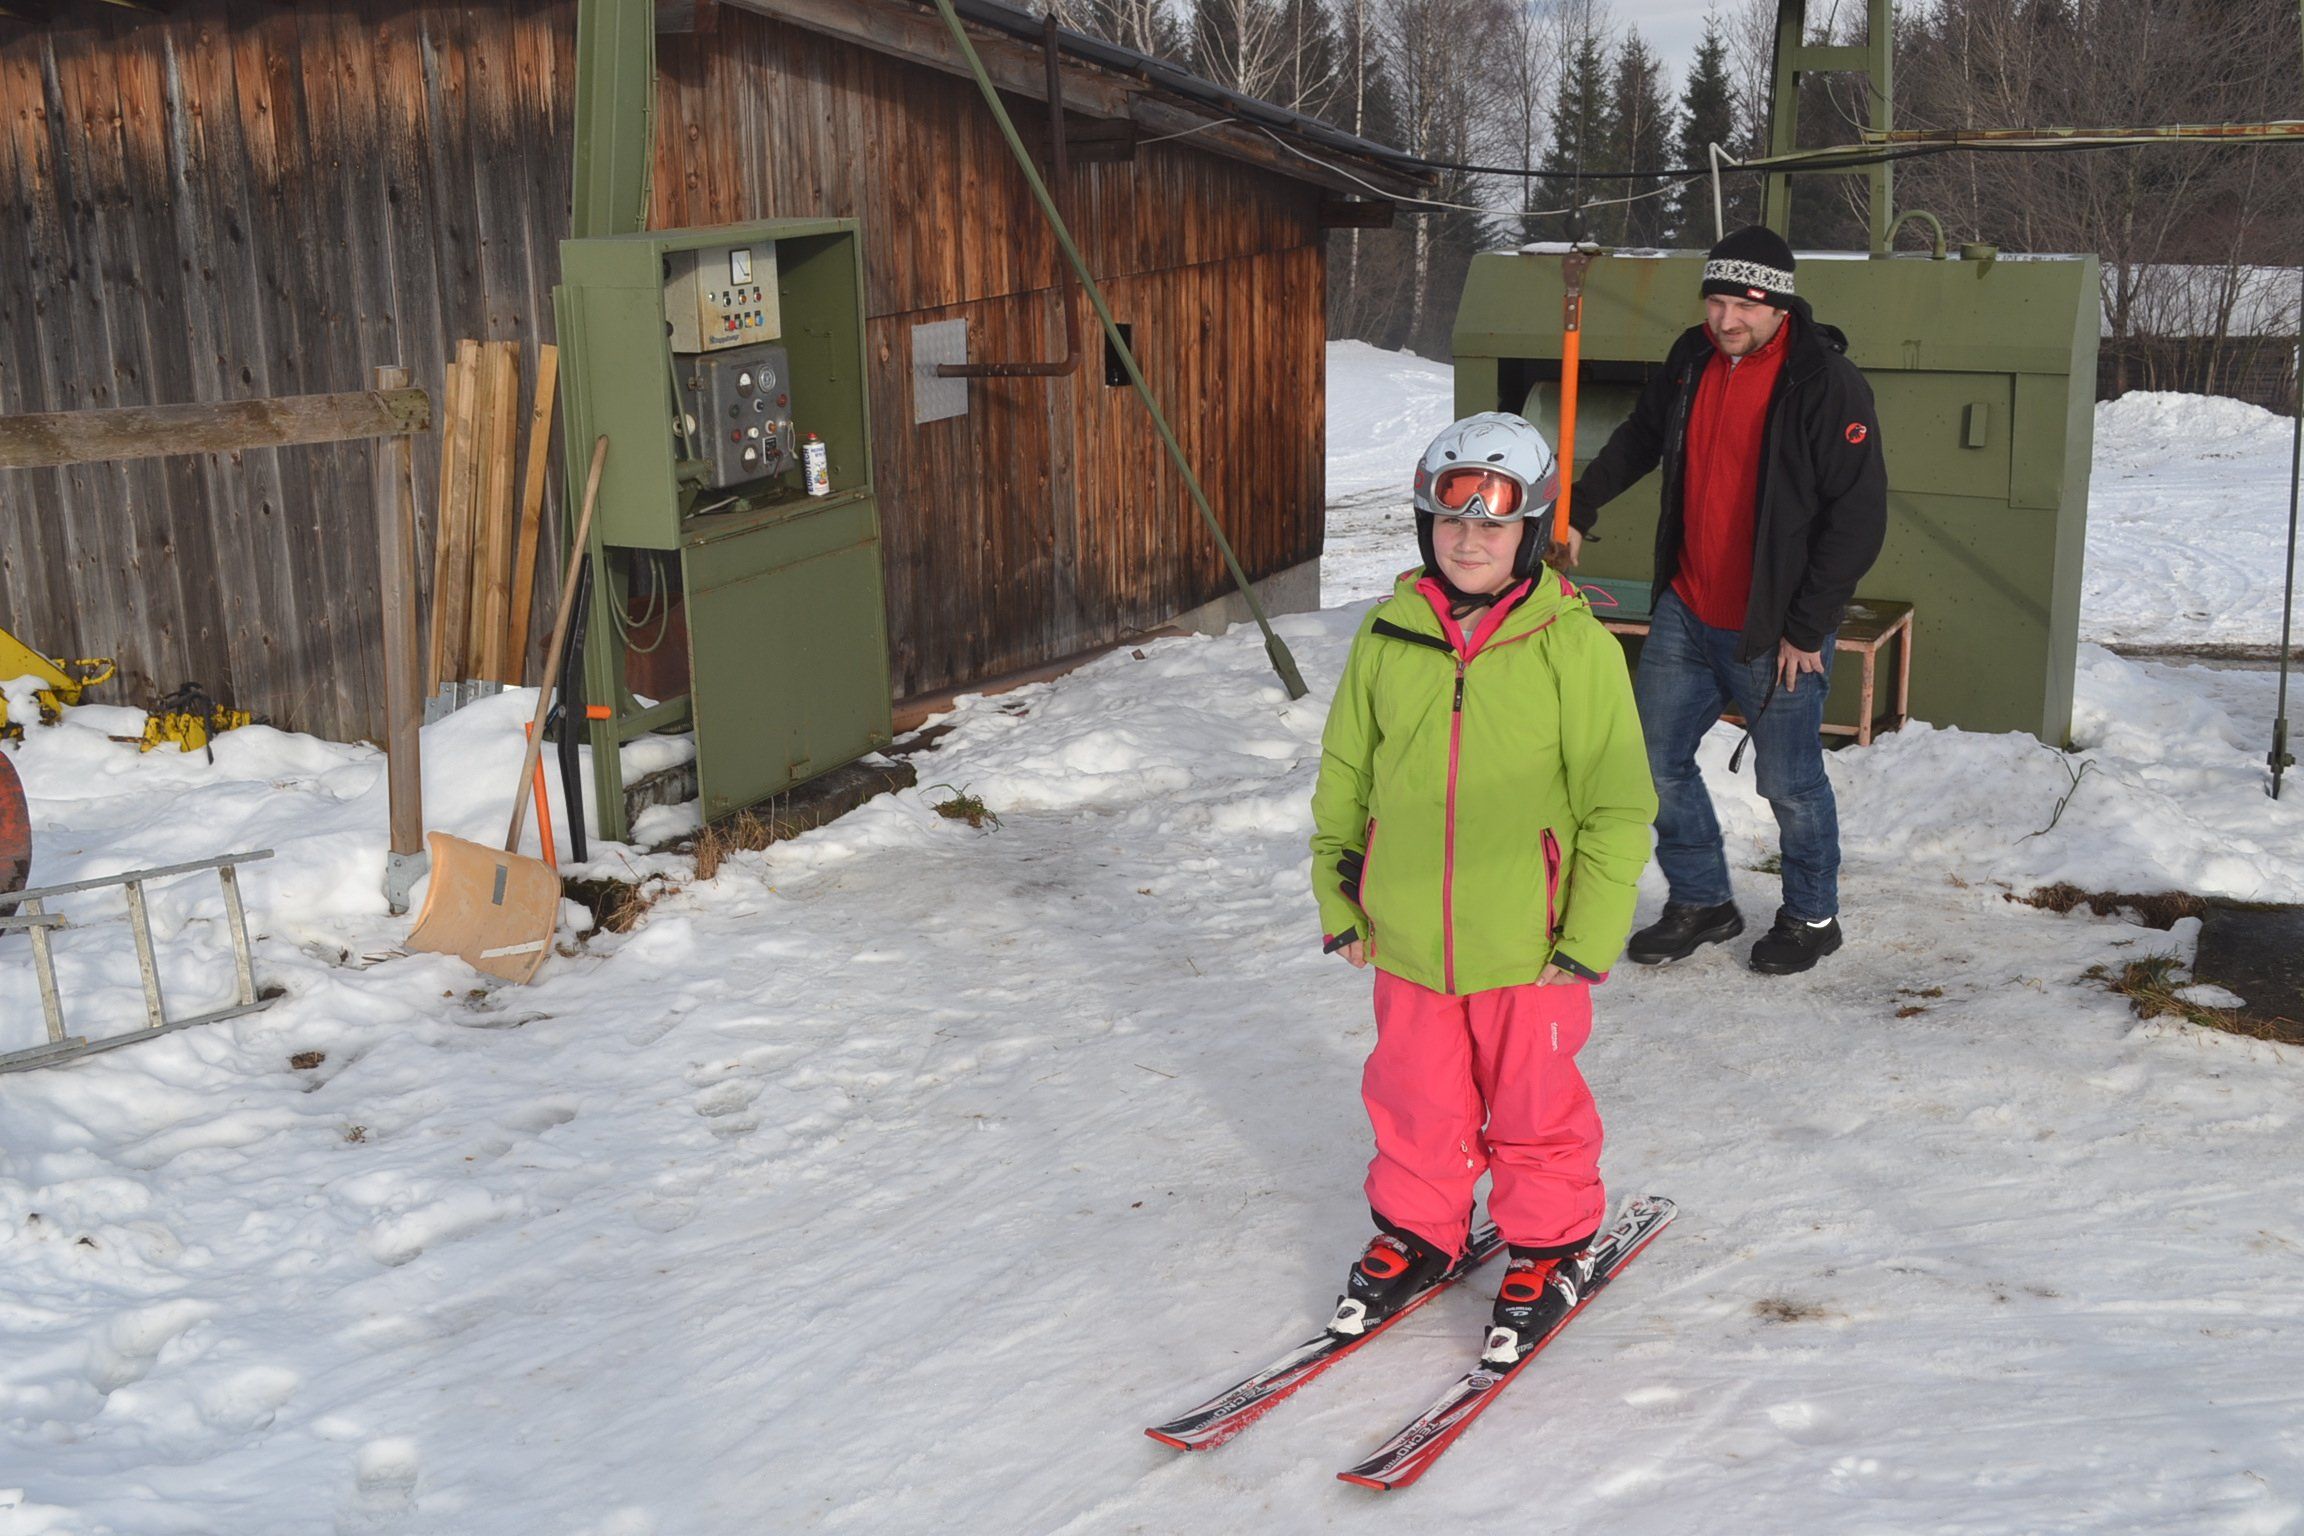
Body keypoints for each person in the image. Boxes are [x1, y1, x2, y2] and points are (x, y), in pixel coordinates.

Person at [1309, 413, 1656, 1364]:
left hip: (1529, 942)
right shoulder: (1388, 635)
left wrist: (1587, 934)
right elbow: (1346, 772)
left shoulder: (1572, 646)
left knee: (1535, 1106)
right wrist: (1340, 894)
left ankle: (1549, 1246)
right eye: (1451, 520)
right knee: (1415, 1098)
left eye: (1494, 524)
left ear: (1530, 532)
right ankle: (1420, 1231)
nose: (1469, 541)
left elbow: (1617, 805)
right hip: (1407, 932)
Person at [1564, 226, 1887, 976]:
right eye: (1715, 301)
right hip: (1688, 607)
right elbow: (1641, 437)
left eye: (1744, 305)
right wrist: (1580, 506)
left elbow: (1858, 518)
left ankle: (1812, 916)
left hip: (1776, 628)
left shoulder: (1825, 383)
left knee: (1790, 783)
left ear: (1779, 306)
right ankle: (1703, 901)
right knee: (1653, 761)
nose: (1726, 319)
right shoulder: (1692, 358)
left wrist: (1807, 626)